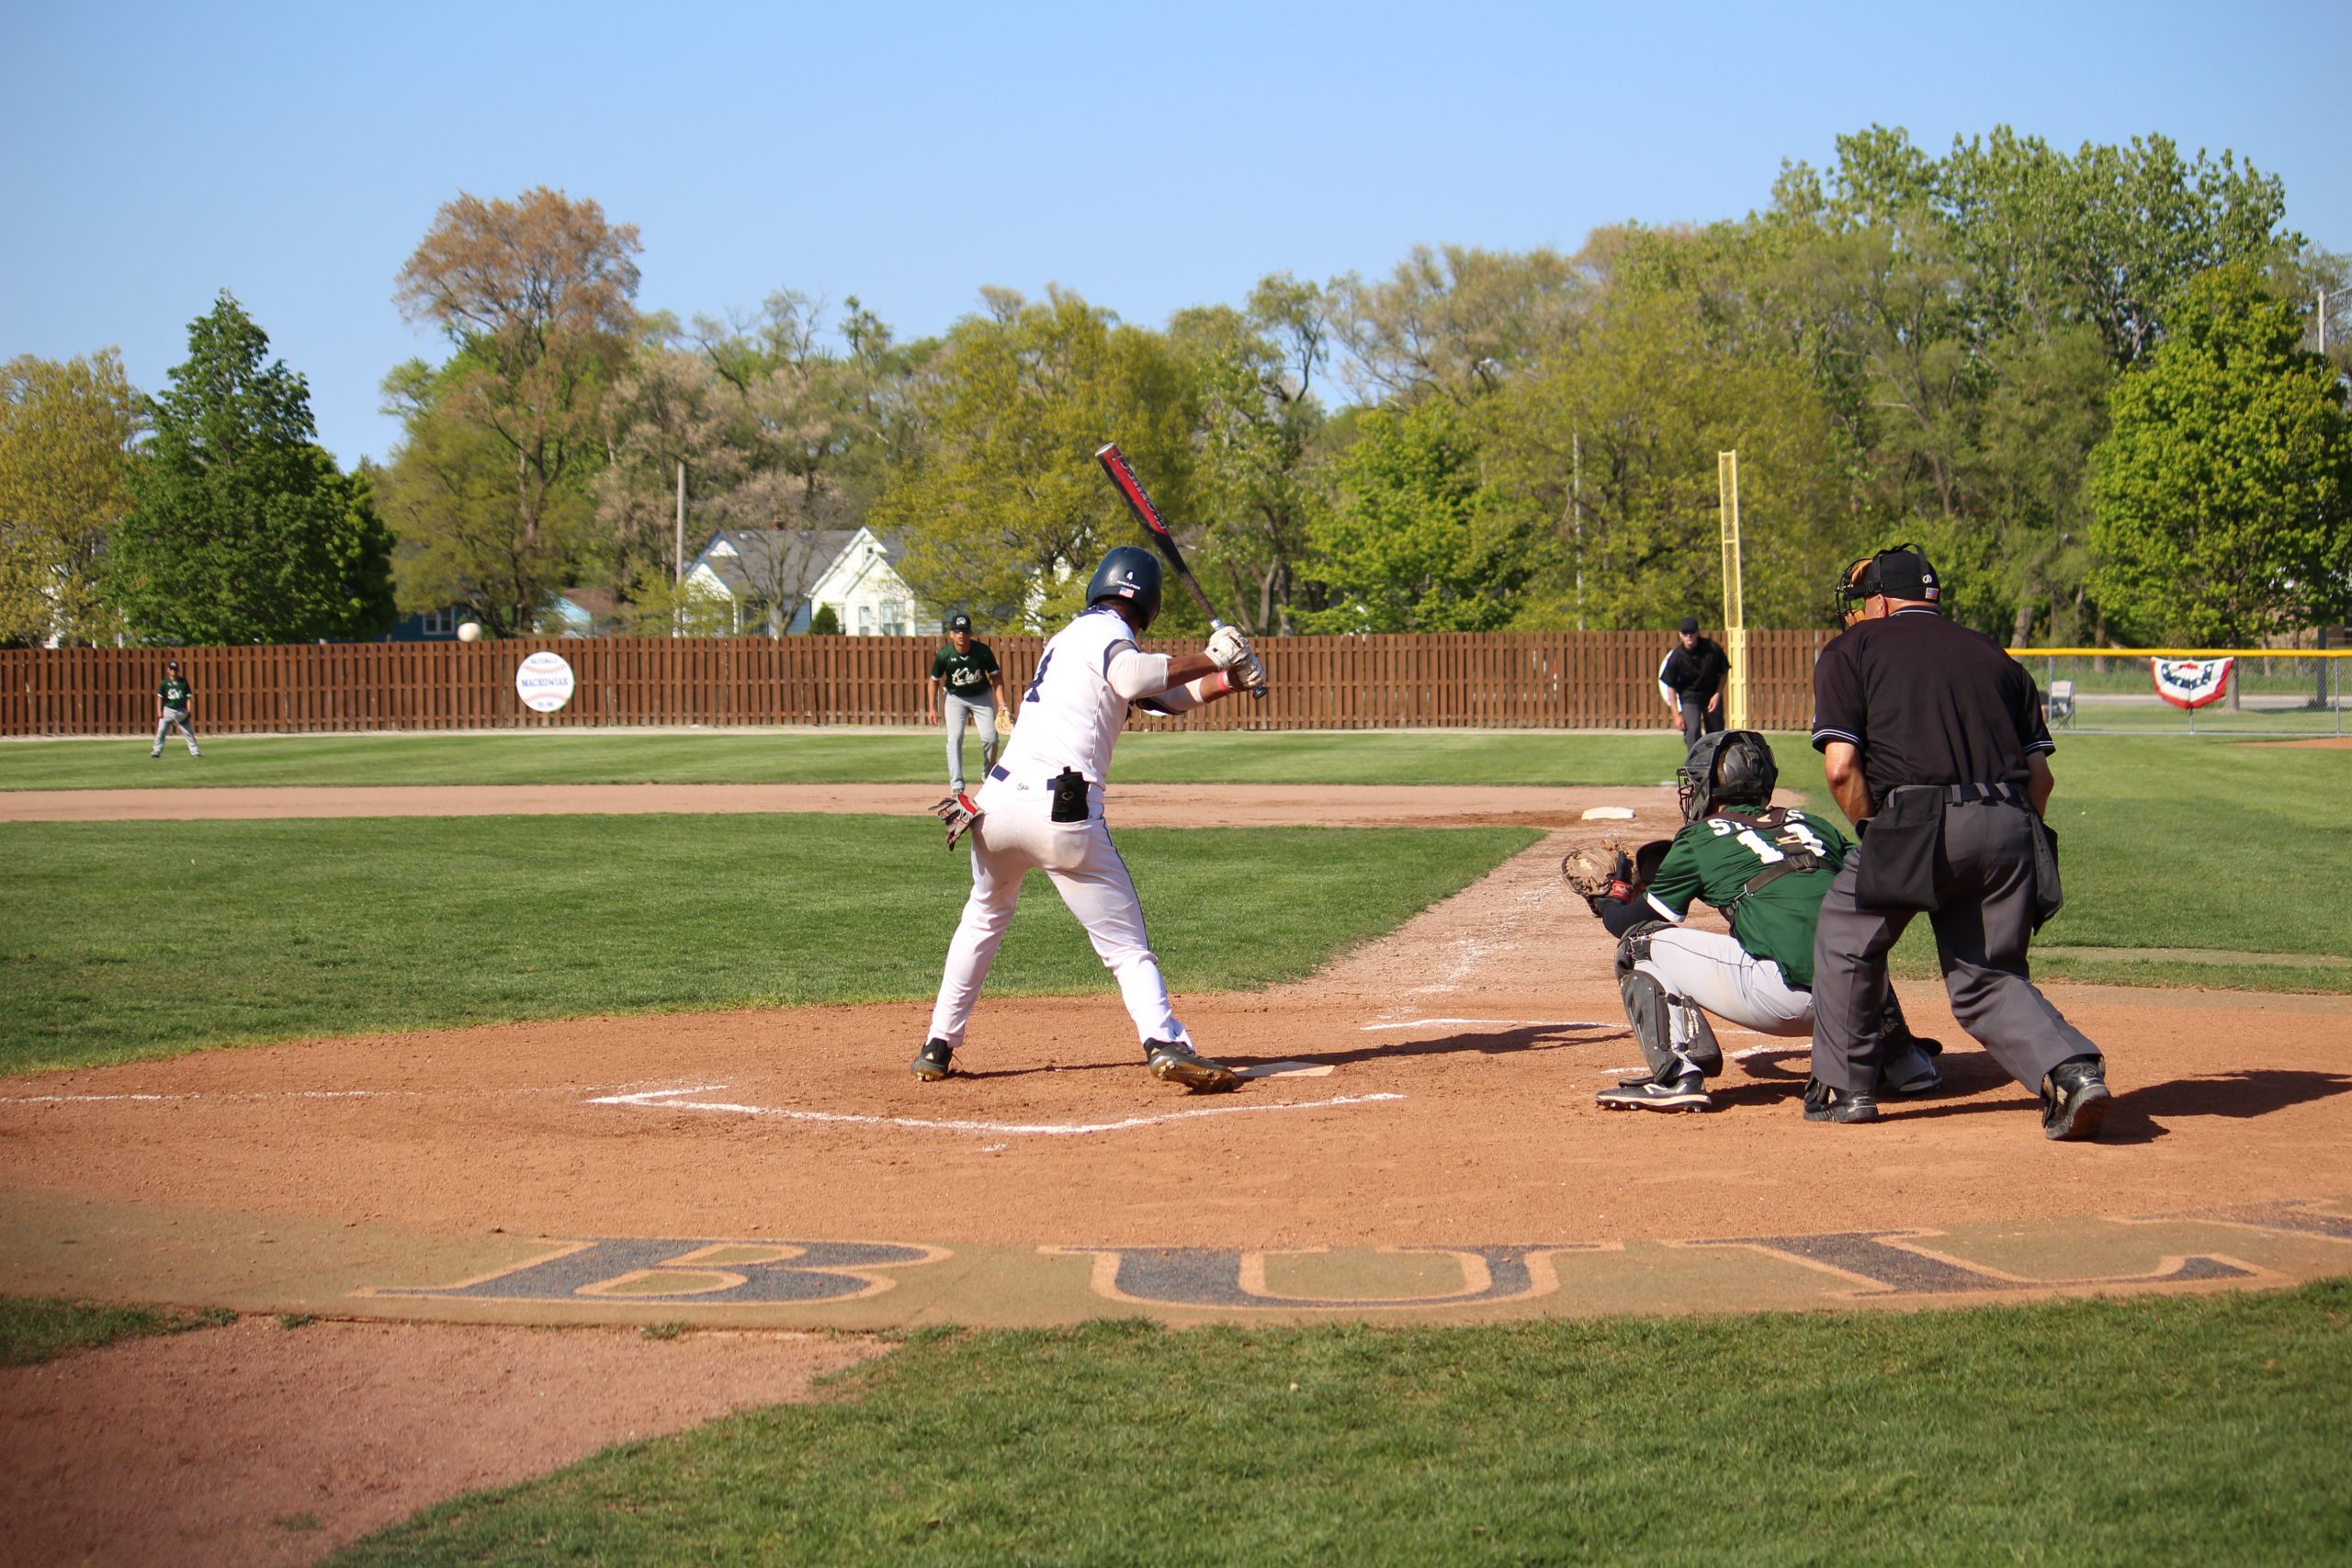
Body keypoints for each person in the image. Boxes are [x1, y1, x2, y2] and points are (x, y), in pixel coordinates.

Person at [915, 547, 1267, 1091]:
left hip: (995, 807)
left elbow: (1157, 698)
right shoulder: (1107, 636)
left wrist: (1226, 681)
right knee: (1126, 948)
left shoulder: (1073, 638)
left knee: (983, 917)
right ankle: (1164, 1041)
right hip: (1062, 809)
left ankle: (937, 1044)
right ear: (1149, 604)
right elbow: (1133, 677)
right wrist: (1211, 656)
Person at [1805, 544, 2110, 1139]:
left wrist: (1876, 835)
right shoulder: (1995, 655)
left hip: (1917, 818)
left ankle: (1844, 1088)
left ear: (1881, 602)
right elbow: (2041, 778)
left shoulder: (1853, 648)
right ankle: (2071, 1071)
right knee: (1987, 977)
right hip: (2011, 818)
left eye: (1863, 601)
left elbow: (1841, 769)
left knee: (1846, 936)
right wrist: (2005, 837)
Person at [1572, 731, 1941, 1112]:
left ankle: (1675, 1076)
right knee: (1841, 932)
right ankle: (1903, 1058)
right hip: (1860, 1001)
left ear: (1710, 786)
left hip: (1785, 1003)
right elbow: (1878, 878)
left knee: (1638, 945)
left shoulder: (1700, 837)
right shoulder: (1815, 825)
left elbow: (1630, 921)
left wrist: (1608, 899)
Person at [928, 614, 1008, 795]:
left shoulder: (982, 652)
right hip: (955, 698)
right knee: (954, 738)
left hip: (981, 697)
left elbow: (996, 677)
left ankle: (988, 773)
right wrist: (932, 708)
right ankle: (957, 785)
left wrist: (1002, 703)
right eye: (957, 631)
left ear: (970, 633)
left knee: (991, 738)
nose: (961, 634)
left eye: (964, 631)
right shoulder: (945, 655)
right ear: (951, 634)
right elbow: (933, 680)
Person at [1657, 616, 1729, 747]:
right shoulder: (1676, 657)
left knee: (1716, 734)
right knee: (1693, 728)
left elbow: (1724, 671)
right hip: (1689, 695)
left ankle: (1717, 757)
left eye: (1692, 632)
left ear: (1697, 632)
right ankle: (1695, 758)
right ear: (1680, 635)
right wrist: (1676, 715)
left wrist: (1717, 694)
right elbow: (1670, 686)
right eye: (1685, 633)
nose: (1689, 636)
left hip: (1711, 693)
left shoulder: (1712, 649)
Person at [152, 660, 200, 759]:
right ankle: (156, 751)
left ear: (178, 670)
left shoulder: (183, 682)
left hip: (180, 710)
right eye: (172, 669)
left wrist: (188, 711)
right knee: (161, 731)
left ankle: (195, 752)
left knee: (188, 732)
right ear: (168, 670)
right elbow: (160, 697)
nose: (173, 671)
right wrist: (159, 711)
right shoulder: (164, 683)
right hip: (168, 709)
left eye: (175, 669)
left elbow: (188, 697)